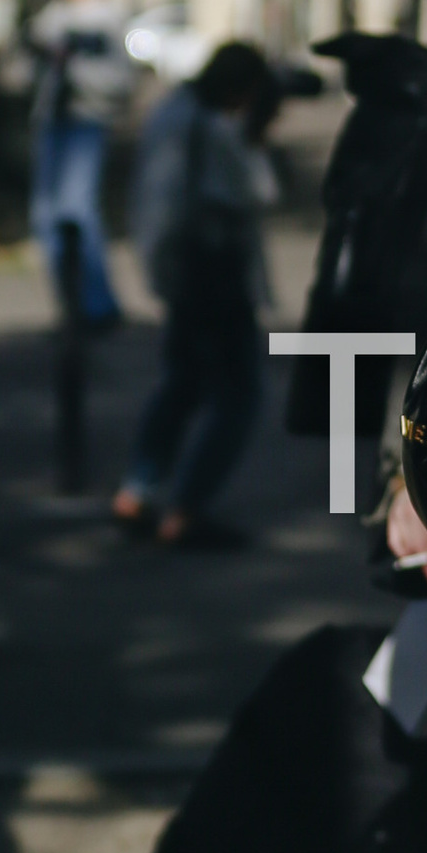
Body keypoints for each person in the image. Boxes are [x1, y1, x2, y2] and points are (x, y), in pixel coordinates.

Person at [113, 40, 281, 548]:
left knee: (181, 384)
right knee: (239, 394)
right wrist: (255, 136)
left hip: (182, 274)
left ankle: (138, 490)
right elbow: (260, 191)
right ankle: (185, 508)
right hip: (217, 278)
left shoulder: (172, 112)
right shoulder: (218, 131)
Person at [28, 0, 135, 325]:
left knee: (78, 210)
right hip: (52, 122)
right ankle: (70, 305)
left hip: (87, 121)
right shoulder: (52, 17)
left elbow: (120, 81)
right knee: (45, 216)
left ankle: (97, 305)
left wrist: (72, 64)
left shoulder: (108, 16)